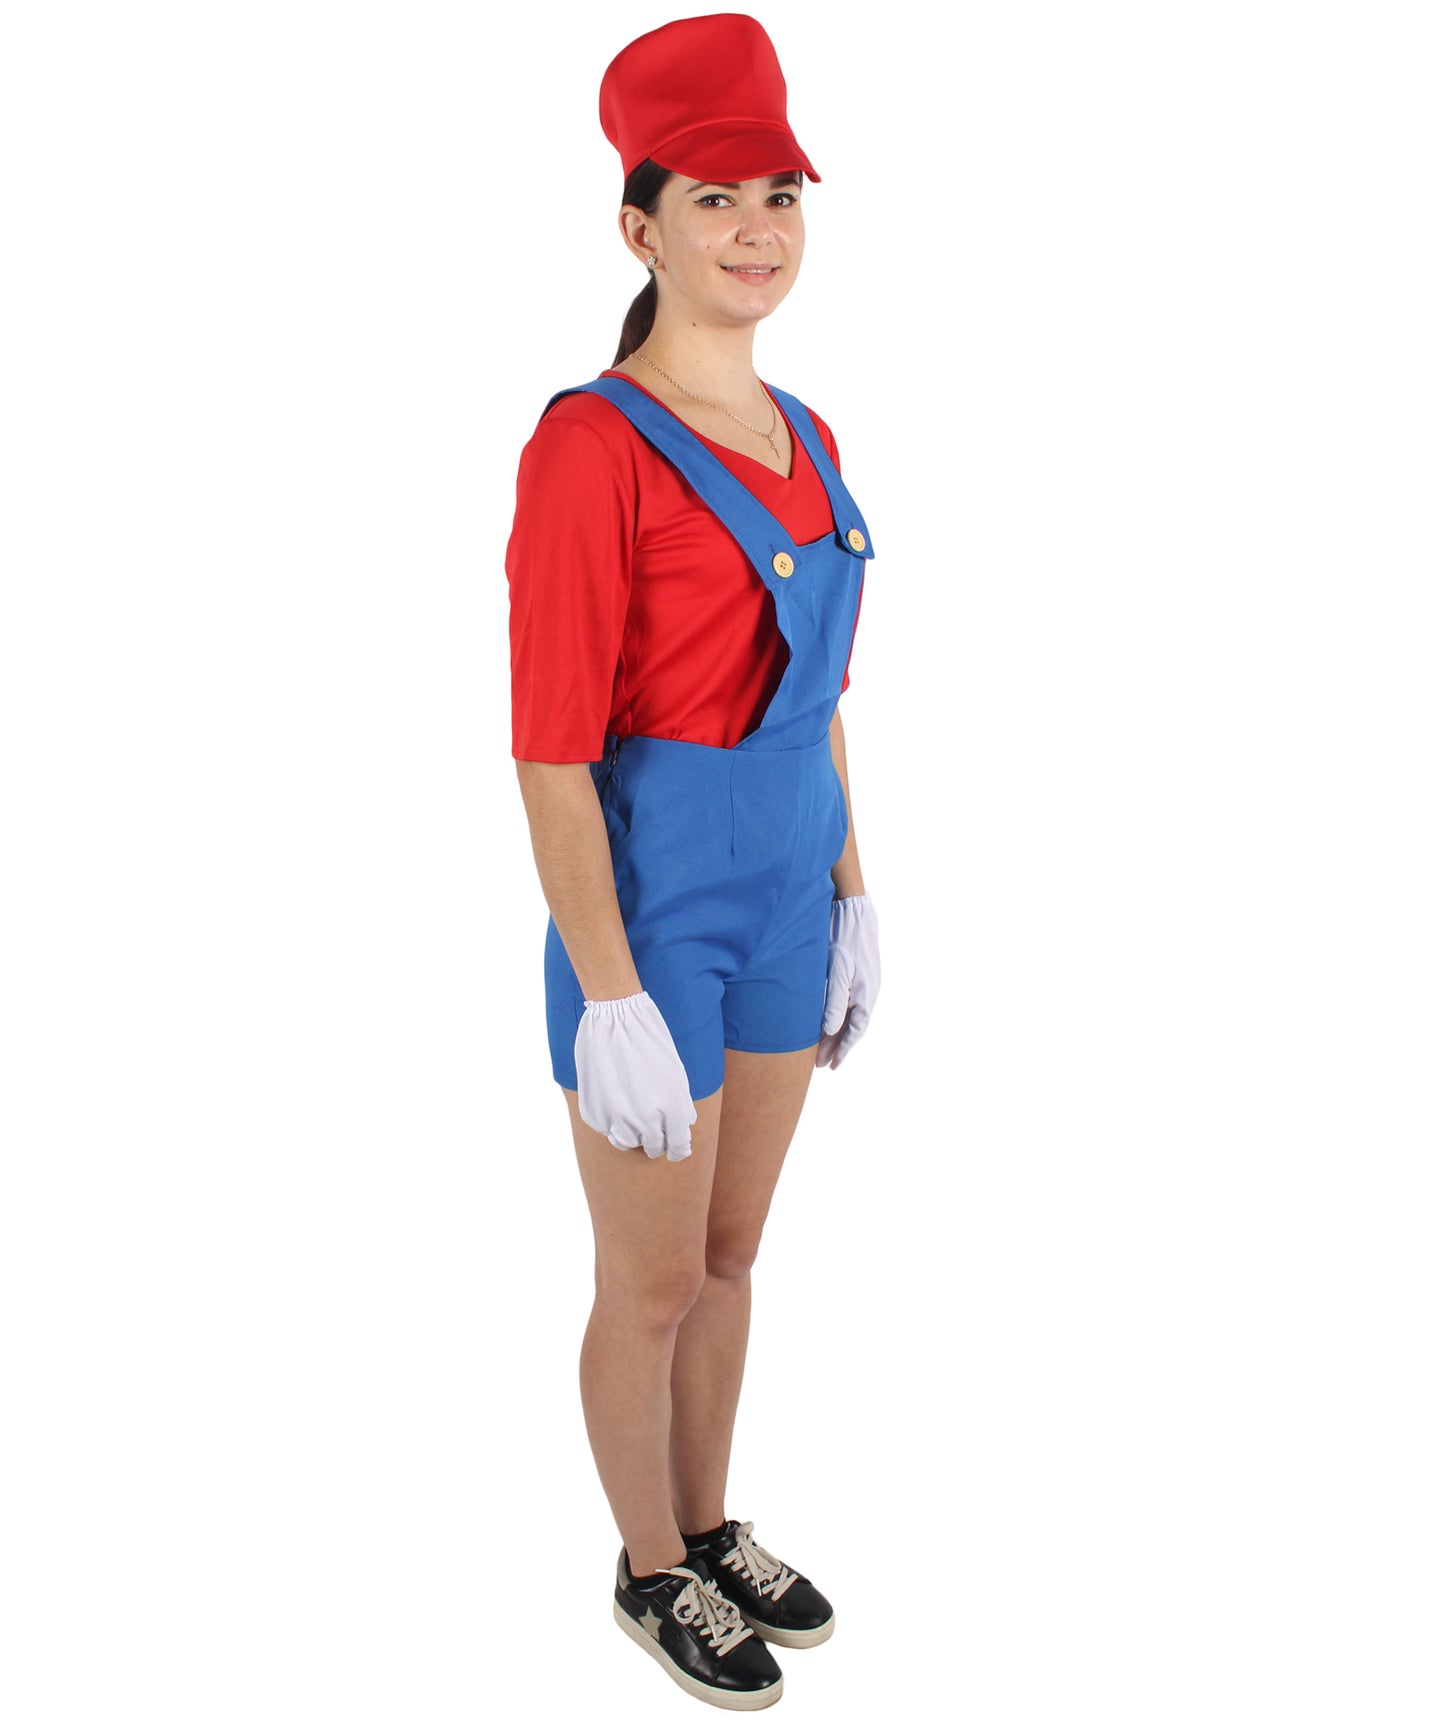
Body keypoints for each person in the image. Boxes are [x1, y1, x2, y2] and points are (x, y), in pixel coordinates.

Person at [506, 14, 881, 1711]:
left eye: (778, 194)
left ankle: (714, 1524)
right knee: (650, 1278)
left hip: (791, 896)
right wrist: (608, 994)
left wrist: (855, 890)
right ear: (637, 228)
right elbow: (550, 750)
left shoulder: (807, 429)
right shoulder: (589, 446)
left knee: (732, 1258)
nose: (755, 228)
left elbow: (823, 698)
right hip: (652, 921)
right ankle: (648, 1564)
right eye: (714, 197)